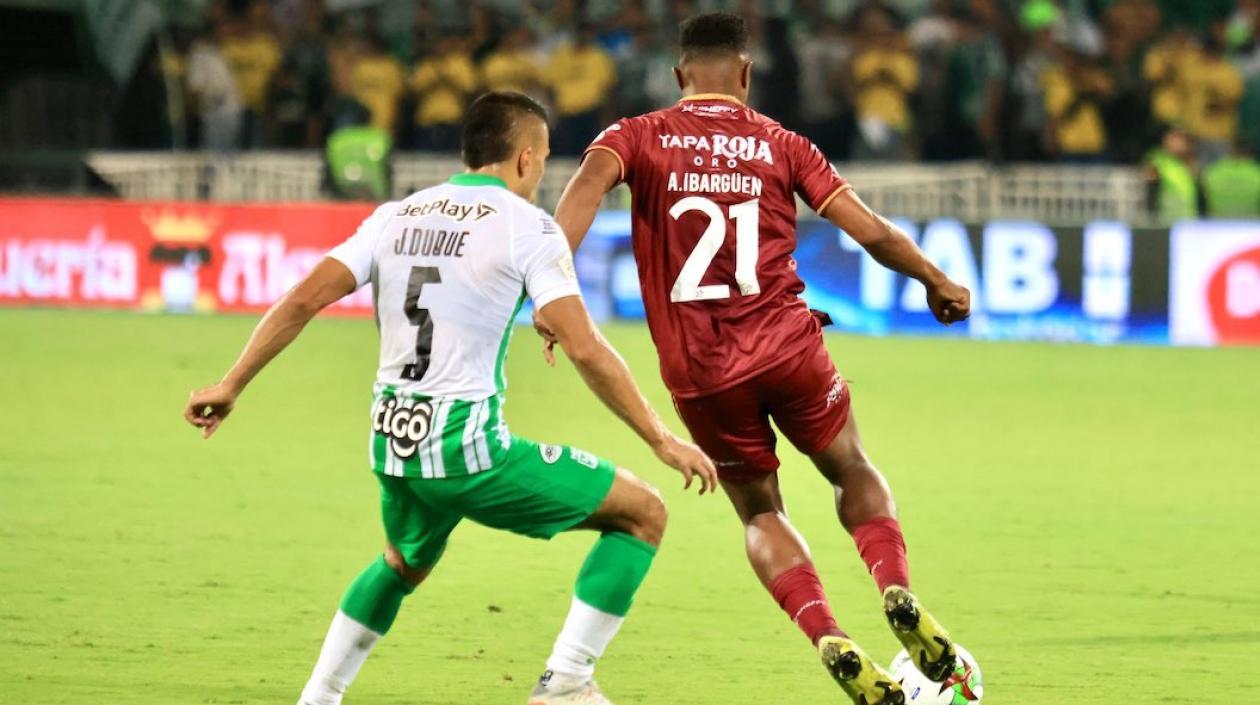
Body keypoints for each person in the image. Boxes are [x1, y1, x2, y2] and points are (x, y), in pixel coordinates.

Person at [183, 91, 716, 705]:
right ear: (522, 159)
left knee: (402, 562)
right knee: (643, 512)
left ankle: (318, 698)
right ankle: (566, 681)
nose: (541, 173)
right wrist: (661, 438)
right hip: (466, 451)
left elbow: (303, 298)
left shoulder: (396, 215)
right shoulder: (527, 227)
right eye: (542, 160)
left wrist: (232, 382)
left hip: (392, 440)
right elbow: (586, 346)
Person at [542, 13, 970, 705]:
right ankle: (895, 588)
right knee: (850, 466)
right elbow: (872, 231)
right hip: (788, 347)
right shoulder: (783, 143)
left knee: (760, 513)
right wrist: (935, 280)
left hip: (702, 374)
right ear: (746, 74)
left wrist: (551, 286)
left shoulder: (634, 136)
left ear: (680, 75)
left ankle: (828, 632)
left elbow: (586, 187)